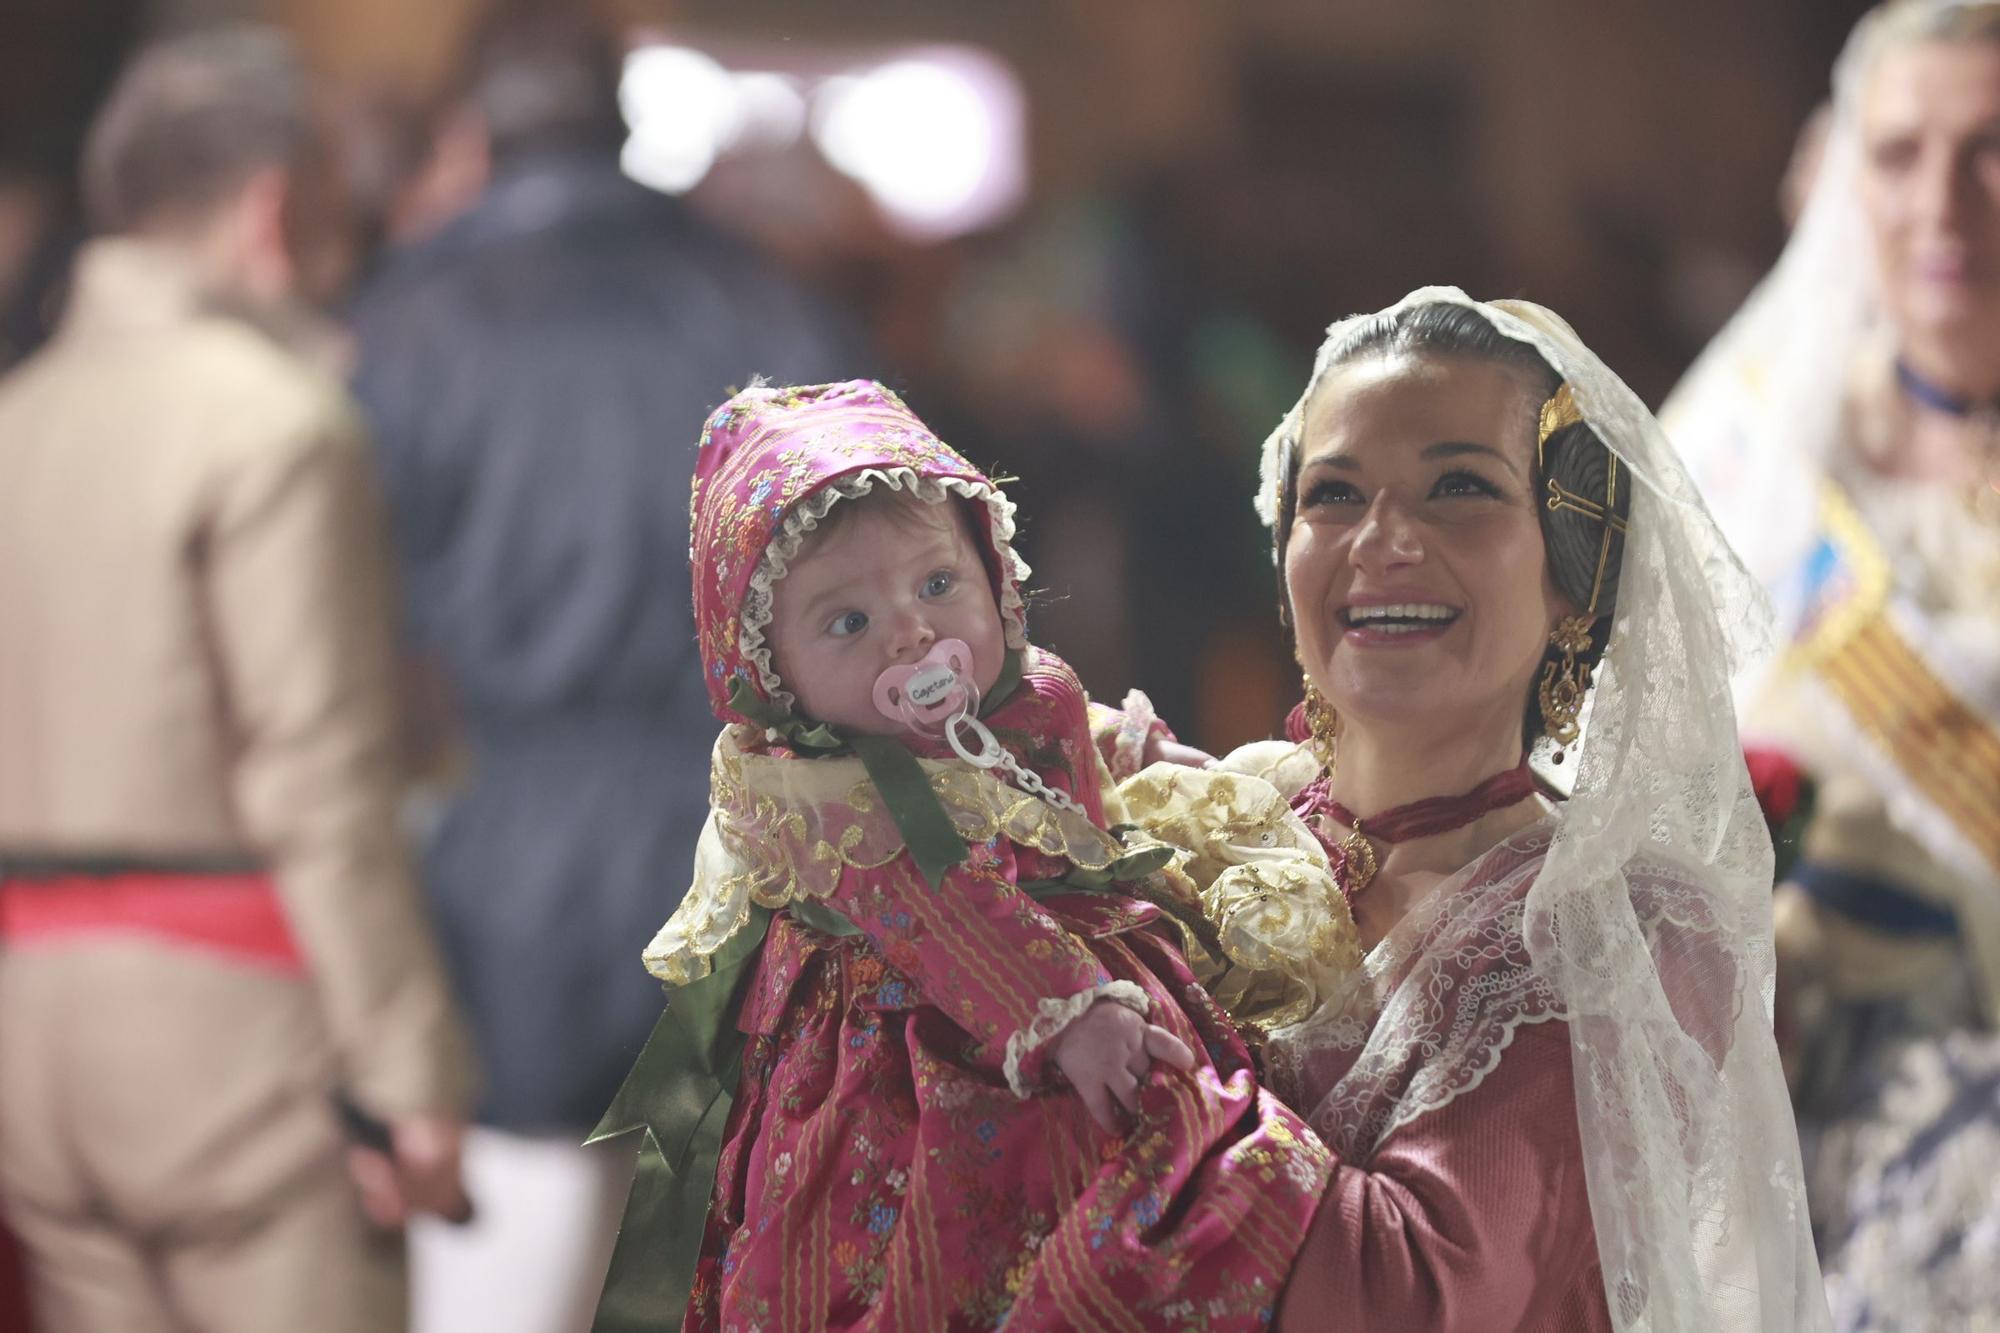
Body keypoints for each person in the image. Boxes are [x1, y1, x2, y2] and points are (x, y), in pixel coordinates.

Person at [596, 378, 1344, 1332]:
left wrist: (1132, 748)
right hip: (939, 1030)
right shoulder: (835, 794)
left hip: (1082, 965)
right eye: (847, 622)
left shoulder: (1015, 687)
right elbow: (944, 907)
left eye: (938, 585)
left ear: (994, 572)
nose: (912, 631)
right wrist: (1065, 1016)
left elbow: (1052, 728)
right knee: (961, 1232)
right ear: (770, 672)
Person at [344, 6, 857, 1329]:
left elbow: (342, 630)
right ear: (621, 121)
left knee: (500, 1285)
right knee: (711, 1268)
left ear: (475, 129)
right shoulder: (763, 303)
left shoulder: (406, 321)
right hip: (748, 844)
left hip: (496, 838)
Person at [1213, 289, 1828, 1331]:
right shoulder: (1211, 820)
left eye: (1458, 487)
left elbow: (1406, 1300)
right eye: (1333, 494)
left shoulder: (1620, 929)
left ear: (1568, 577)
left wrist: (1098, 1044)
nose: (1381, 539)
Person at [0, 27, 472, 1333]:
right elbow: (316, 773)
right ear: (273, 211)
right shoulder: (273, 422)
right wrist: (407, 1068)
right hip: (231, 1038)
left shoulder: (19, 415)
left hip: (31, 1029)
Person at [1662, 3, 2000, 1325]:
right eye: (1899, 152)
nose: (1941, 204)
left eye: (1990, 148)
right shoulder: (1756, 457)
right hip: (1772, 1111)